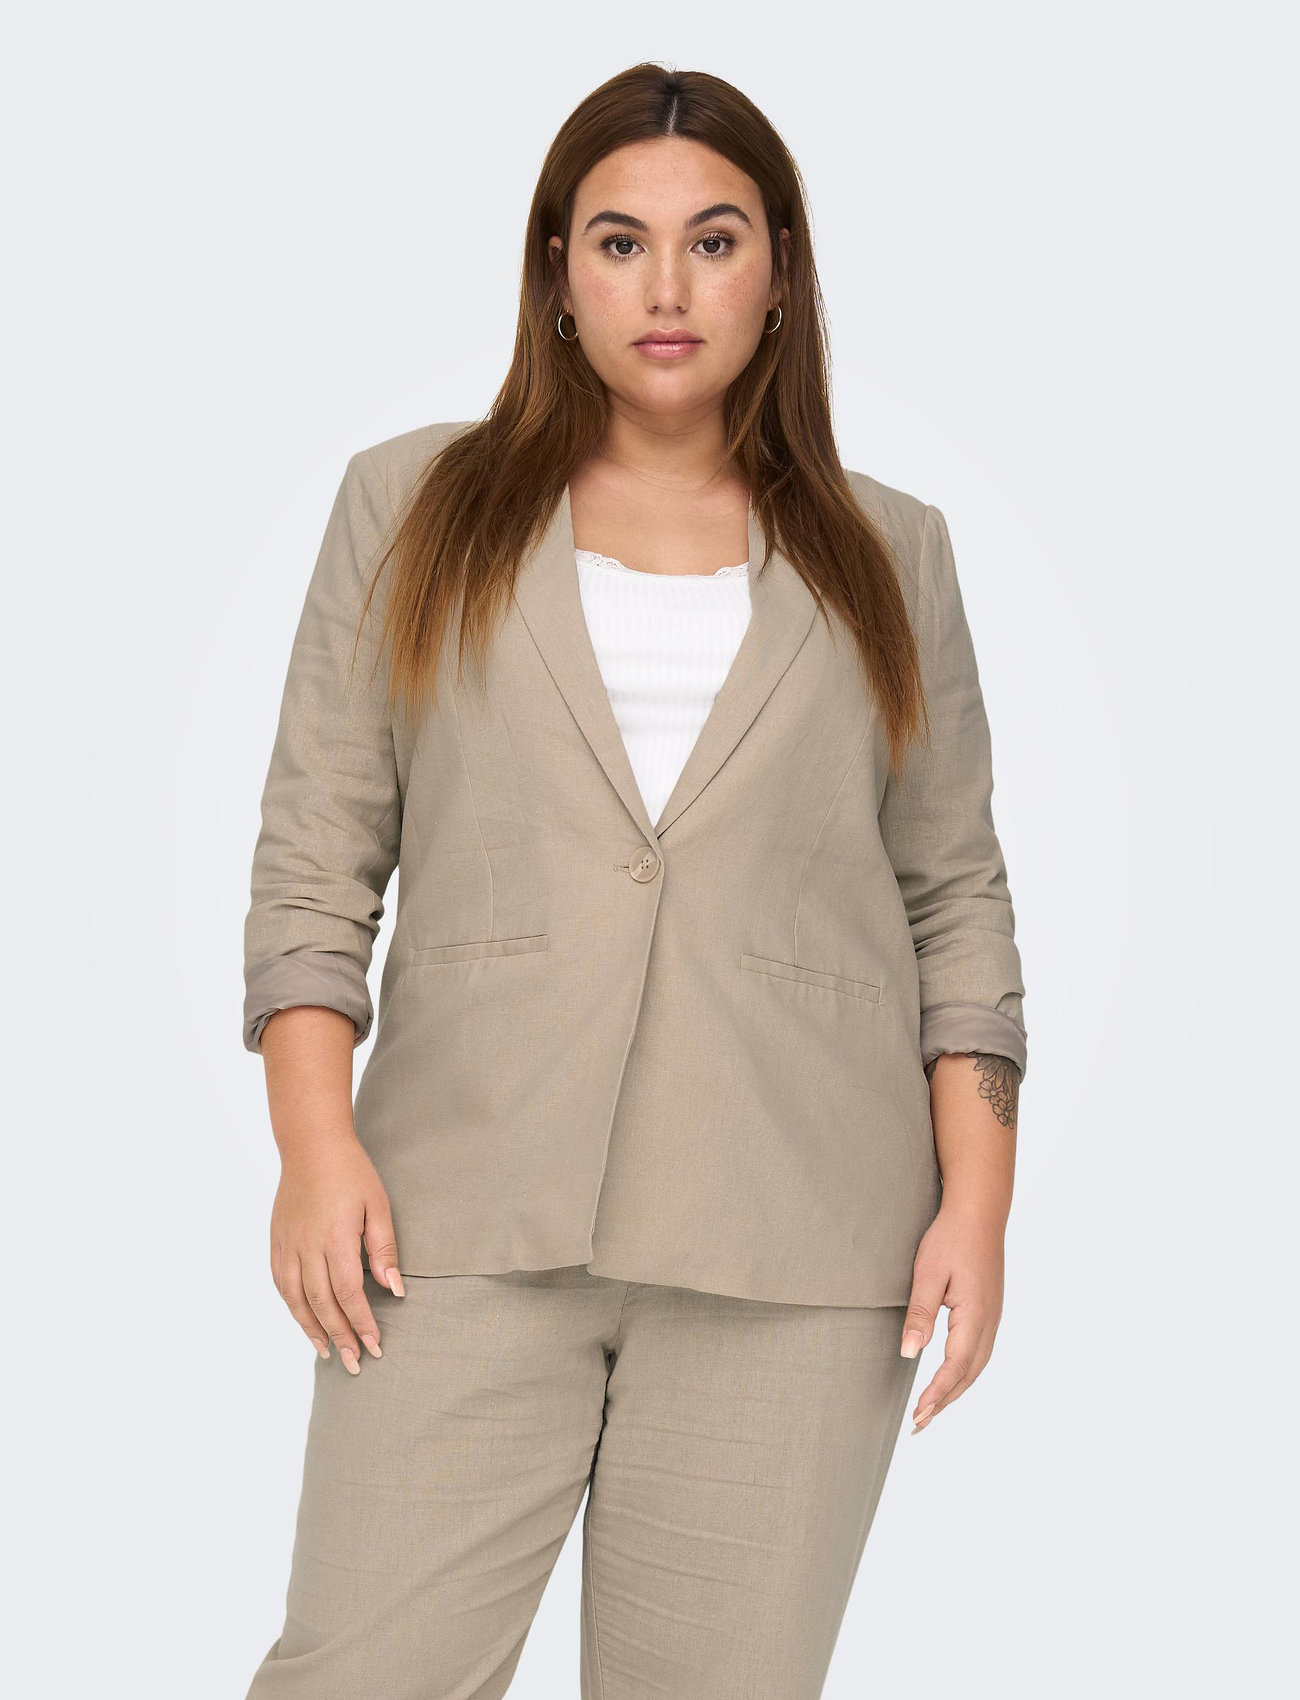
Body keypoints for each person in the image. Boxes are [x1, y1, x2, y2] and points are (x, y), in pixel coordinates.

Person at [240, 61, 1028, 1700]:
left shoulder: (895, 554)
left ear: (781, 270)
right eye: (619, 242)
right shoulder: (410, 505)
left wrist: (979, 1202)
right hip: (454, 1220)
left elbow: (954, 892)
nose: (667, 288)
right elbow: (319, 854)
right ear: (558, 270)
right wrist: (315, 1149)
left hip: (799, 1237)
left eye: (714, 241)